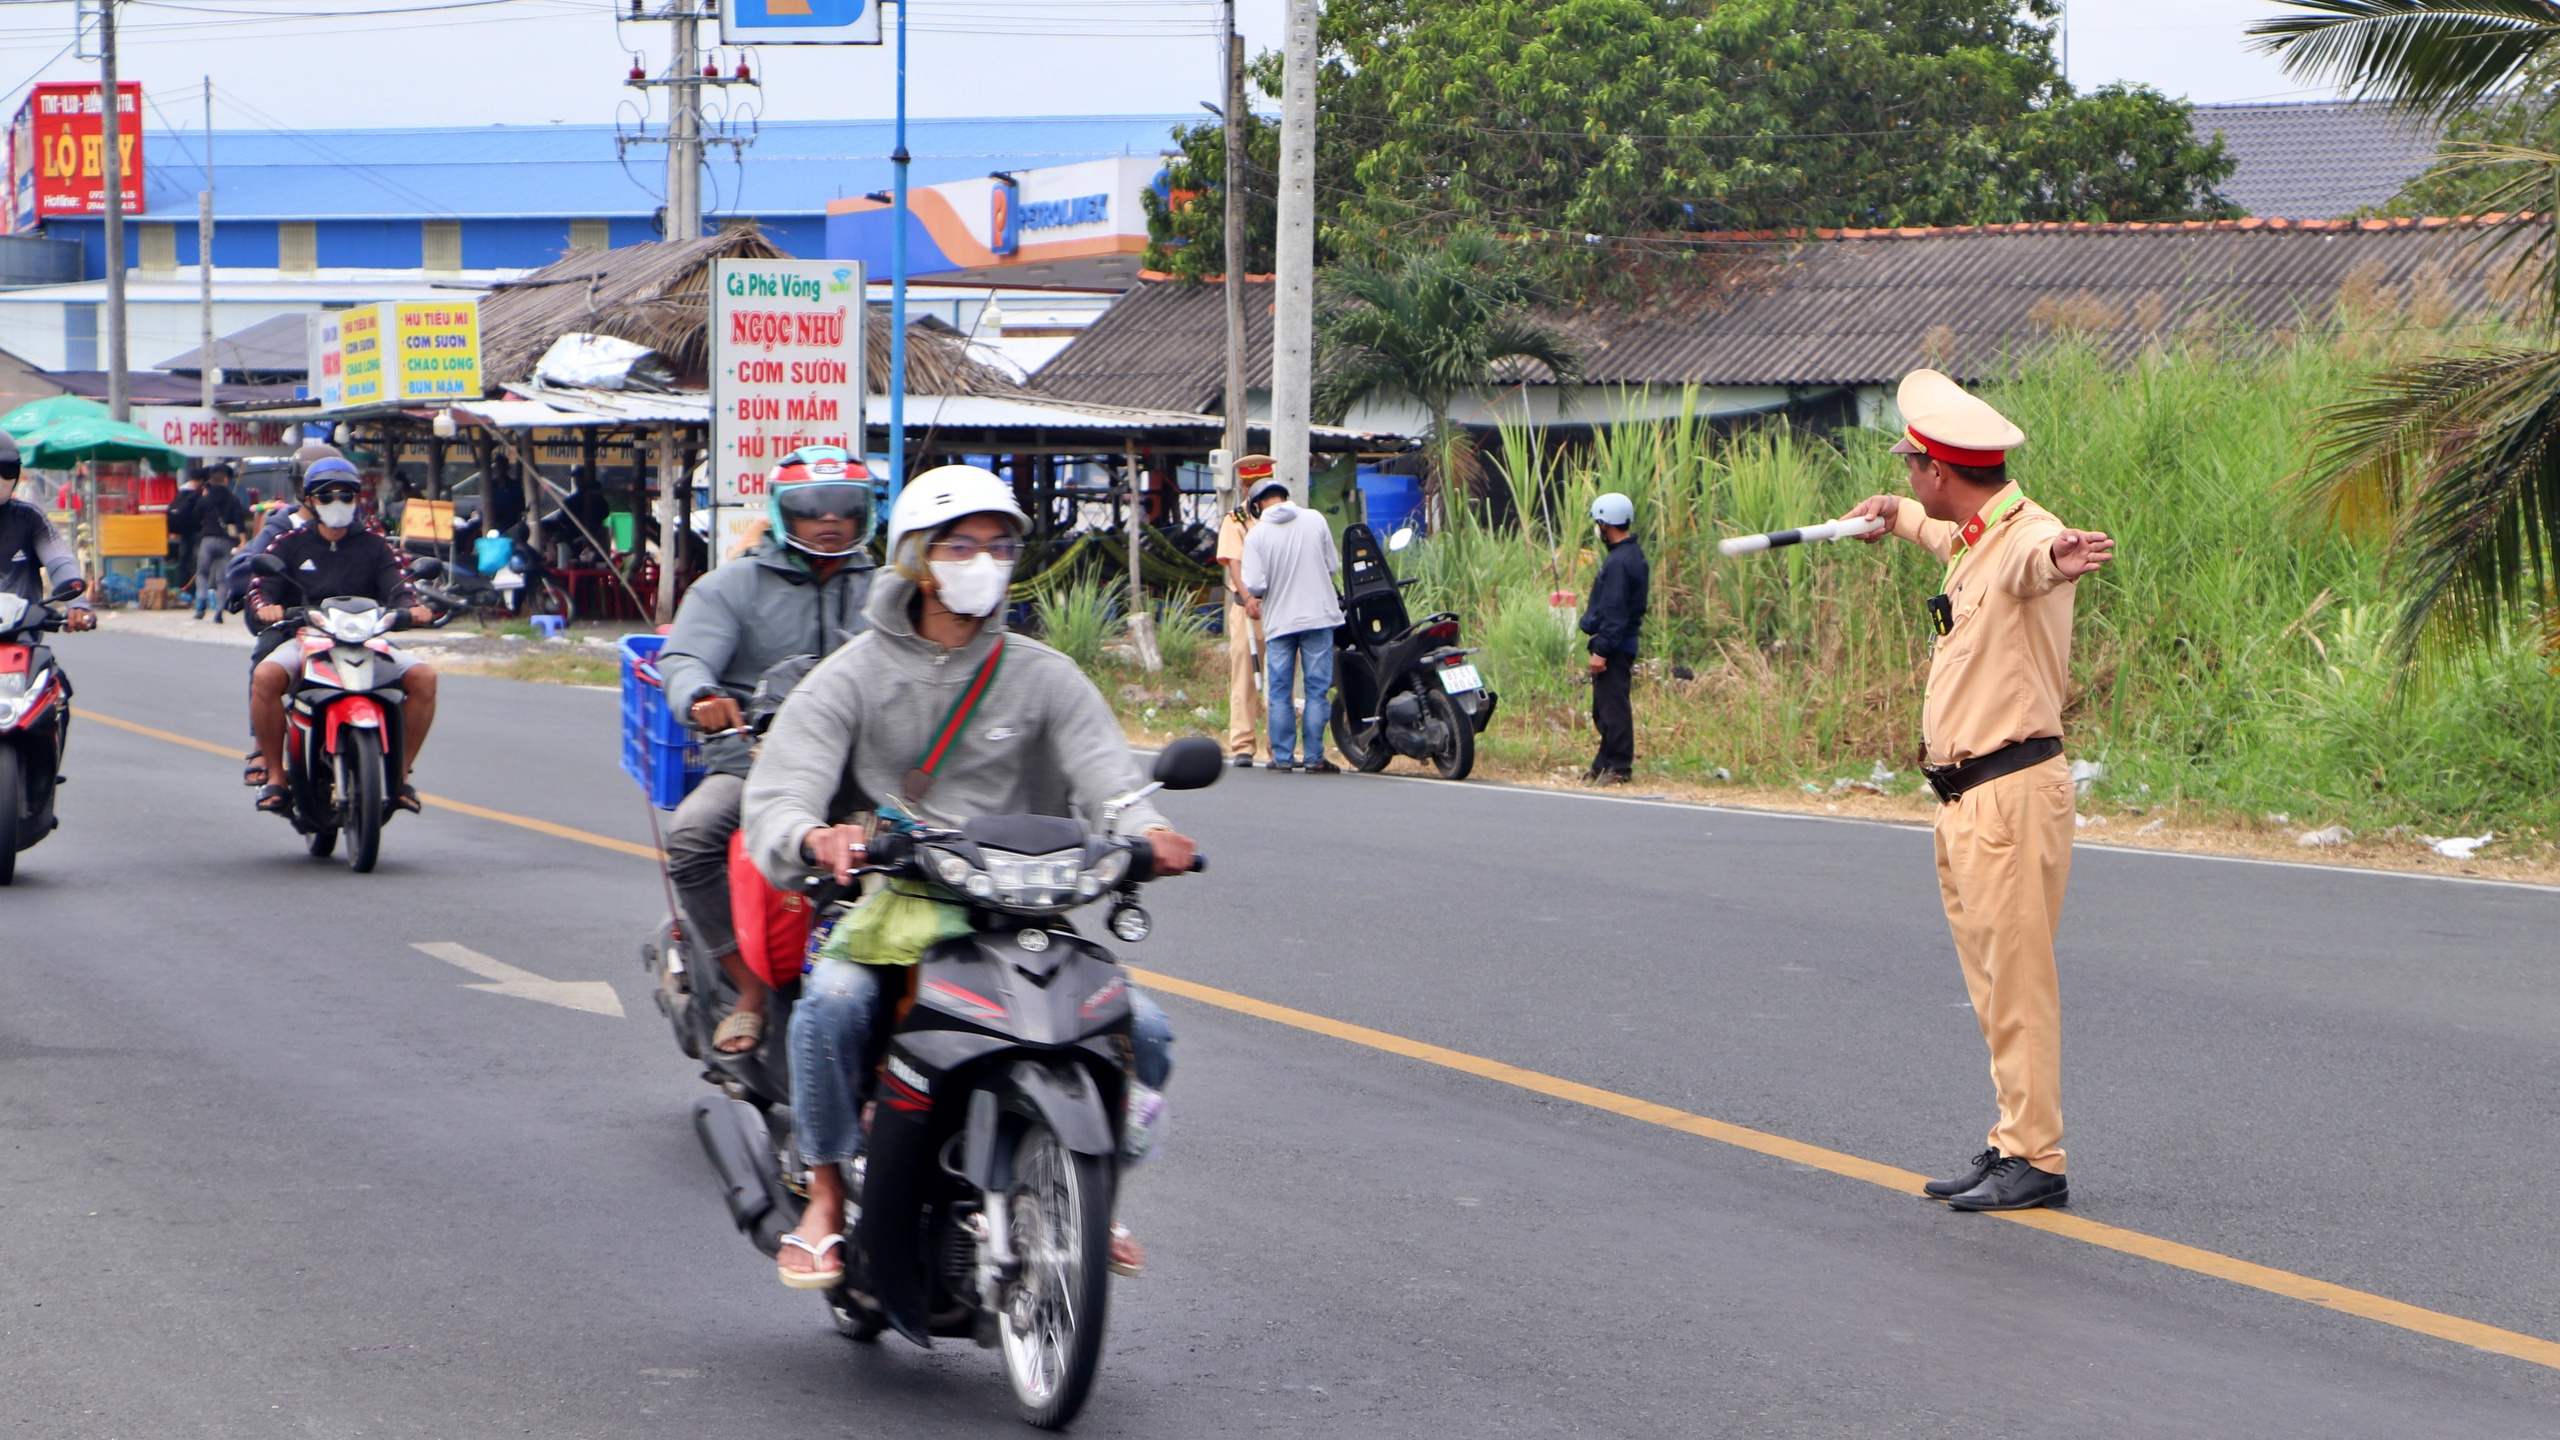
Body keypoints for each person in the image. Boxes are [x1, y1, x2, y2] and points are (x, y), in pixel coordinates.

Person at [741, 464, 1198, 1290]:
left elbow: (1111, 782)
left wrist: (1151, 833)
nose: (983, 561)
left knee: (1148, 1031)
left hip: (1023, 908)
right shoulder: (851, 675)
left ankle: (1089, 1196)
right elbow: (781, 793)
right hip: (896, 907)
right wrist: (815, 836)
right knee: (832, 1005)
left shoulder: (1044, 675)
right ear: (918, 559)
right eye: (961, 546)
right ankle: (825, 1195)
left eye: (1000, 546)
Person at [1841, 368, 2114, 1214]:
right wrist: (1895, 512)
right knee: (1994, 985)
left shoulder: (2028, 538)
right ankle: (2011, 1142)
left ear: (1939, 468)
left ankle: (2036, 1157)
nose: (1909, 475)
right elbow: (1940, 534)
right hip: (1966, 800)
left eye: (1911, 467)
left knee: (2018, 984)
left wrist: (2062, 559)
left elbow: (2039, 561)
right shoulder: (1973, 536)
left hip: (2009, 794)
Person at [654, 446, 878, 1057]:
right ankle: (748, 989)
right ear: (782, 513)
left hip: (867, 770)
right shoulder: (732, 586)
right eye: (811, 507)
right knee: (694, 837)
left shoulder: (892, 590)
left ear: (866, 514)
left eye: (844, 506)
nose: (829, 520)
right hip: (756, 766)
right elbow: (683, 658)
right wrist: (701, 695)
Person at [244, 456, 441, 815]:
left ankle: (399, 776)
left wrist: (413, 609)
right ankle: (275, 774)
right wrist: (267, 608)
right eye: (327, 495)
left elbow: (400, 588)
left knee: (425, 677)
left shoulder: (375, 545)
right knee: (265, 676)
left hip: (368, 639)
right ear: (309, 500)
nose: (337, 502)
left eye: (346, 495)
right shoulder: (288, 543)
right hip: (306, 637)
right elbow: (261, 588)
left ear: (357, 499)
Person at [1239, 475, 1343, 773]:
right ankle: (1314, 758)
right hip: (1319, 617)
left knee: (1280, 692)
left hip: (1280, 622)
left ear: (1256, 506)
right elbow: (1333, 565)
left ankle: (1283, 758)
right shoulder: (1315, 519)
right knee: (1316, 690)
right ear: (1285, 497)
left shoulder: (1256, 536)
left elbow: (1255, 585)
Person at [1578, 491, 1649, 784]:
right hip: (1617, 643)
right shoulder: (1630, 555)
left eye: (1598, 523)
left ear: (1606, 523)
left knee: (1613, 708)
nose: (1598, 528)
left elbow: (1614, 611)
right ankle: (1603, 764)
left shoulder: (1619, 562)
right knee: (1604, 708)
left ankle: (1619, 767)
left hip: (1615, 646)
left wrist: (1602, 651)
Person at [0, 432, 95, 630]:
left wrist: (77, 603)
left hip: (22, 635)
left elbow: (58, 559)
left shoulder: (30, 519)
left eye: (6, 470)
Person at [1213, 454, 1273, 768]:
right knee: (1244, 678)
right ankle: (1243, 745)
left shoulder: (1283, 515)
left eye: (1258, 483)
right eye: (1248, 485)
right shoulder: (1235, 519)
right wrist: (1248, 598)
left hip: (1280, 606)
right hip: (1247, 609)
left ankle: (1279, 745)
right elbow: (1234, 563)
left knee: (1280, 679)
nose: (1252, 490)